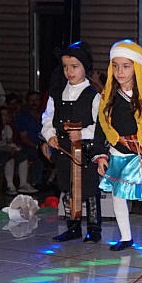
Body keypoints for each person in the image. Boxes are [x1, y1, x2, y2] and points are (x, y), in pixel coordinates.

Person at [94, 39, 142, 251]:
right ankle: (126, 237)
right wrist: (100, 154)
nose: (120, 71)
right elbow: (101, 125)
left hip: (140, 151)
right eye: (115, 66)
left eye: (126, 66)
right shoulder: (108, 96)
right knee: (118, 194)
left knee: (135, 190)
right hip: (118, 151)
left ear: (137, 68)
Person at [41, 41, 103, 242]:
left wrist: (83, 133)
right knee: (67, 187)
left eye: (74, 66)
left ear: (85, 67)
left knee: (89, 188)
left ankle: (94, 228)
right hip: (64, 150)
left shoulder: (93, 96)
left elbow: (101, 126)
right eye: (66, 67)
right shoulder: (56, 94)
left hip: (85, 151)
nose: (69, 71)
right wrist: (50, 134)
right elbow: (47, 118)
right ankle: (73, 226)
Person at [16, 91, 45, 192]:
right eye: (31, 100)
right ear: (27, 102)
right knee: (39, 155)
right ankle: (35, 182)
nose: (34, 102)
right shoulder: (23, 117)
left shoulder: (45, 116)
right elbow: (23, 137)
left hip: (44, 144)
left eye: (36, 100)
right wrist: (37, 146)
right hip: (27, 146)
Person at [0, 105, 24, 196]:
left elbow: (10, 141)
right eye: (2, 114)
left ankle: (23, 184)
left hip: (6, 151)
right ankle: (10, 185)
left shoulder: (8, 128)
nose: (5, 117)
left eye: (7, 114)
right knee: (9, 158)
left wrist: (14, 147)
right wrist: (7, 148)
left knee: (22, 155)